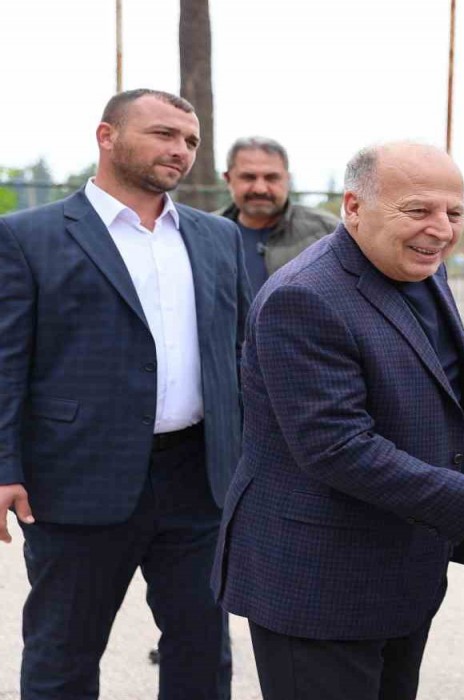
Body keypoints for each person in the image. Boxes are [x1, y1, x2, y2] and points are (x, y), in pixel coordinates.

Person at [212, 141, 464, 700]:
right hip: (319, 584)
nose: (440, 228)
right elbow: (339, 448)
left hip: (401, 570)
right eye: (418, 210)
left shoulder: (420, 269)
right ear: (354, 207)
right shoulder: (304, 298)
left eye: (454, 213)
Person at [0, 88, 250, 700]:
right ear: (106, 136)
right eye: (164, 134)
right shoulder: (26, 237)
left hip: (200, 480)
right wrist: (3, 464)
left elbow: (243, 355)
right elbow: (5, 362)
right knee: (64, 652)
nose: (181, 150)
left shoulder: (218, 237)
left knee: (202, 652)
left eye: (189, 140)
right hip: (77, 478)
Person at [219, 136, 339, 296]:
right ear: (228, 179)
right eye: (248, 177)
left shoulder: (328, 232)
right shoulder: (203, 234)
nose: (260, 188)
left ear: (287, 179)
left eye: (271, 178)